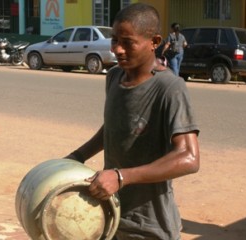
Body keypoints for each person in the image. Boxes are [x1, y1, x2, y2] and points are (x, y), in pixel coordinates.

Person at [65, 3, 200, 240]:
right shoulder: (115, 77)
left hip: (150, 225)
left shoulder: (169, 88)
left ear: (154, 42)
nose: (118, 49)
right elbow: (116, 126)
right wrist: (77, 156)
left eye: (128, 42)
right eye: (114, 40)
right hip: (111, 215)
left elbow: (189, 158)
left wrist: (120, 177)